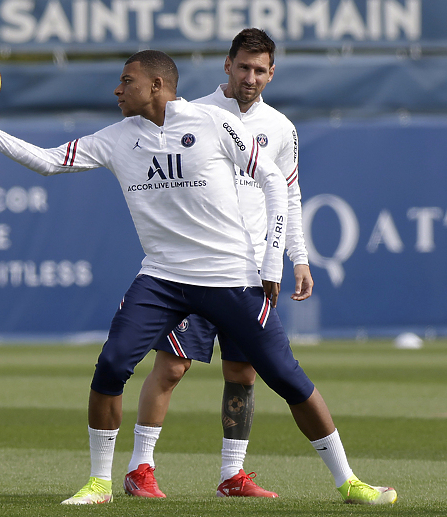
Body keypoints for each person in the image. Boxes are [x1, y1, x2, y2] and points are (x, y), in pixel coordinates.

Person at [0, 49, 396, 506]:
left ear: (157, 86)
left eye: (127, 81)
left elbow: (275, 183)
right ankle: (101, 482)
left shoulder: (212, 123)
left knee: (286, 378)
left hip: (230, 277)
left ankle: (349, 482)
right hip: (162, 279)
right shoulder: (117, 138)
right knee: (112, 364)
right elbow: (45, 160)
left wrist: (274, 260)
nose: (118, 89)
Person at [123, 28, 312, 500]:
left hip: (249, 272)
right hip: (198, 266)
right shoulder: (196, 113)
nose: (251, 77)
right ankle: (139, 468)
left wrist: (298, 257)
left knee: (242, 374)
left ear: (272, 73)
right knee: (170, 367)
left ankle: (233, 475)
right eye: (243, 67)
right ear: (227, 65)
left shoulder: (281, 128)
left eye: (260, 70)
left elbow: (288, 193)